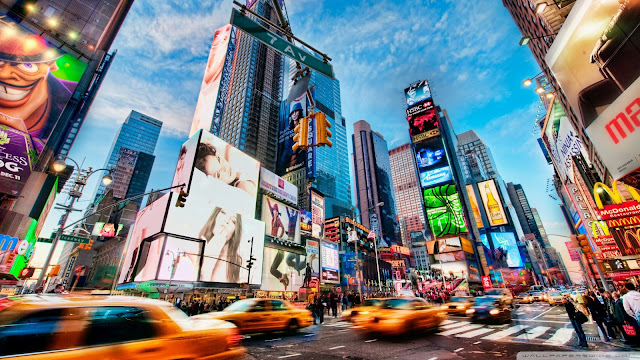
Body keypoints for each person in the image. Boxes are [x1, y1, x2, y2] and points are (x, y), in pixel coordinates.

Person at [0, 17, 79, 140]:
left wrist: (21, 140)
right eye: (1, 62)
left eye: (27, 65)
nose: (4, 74)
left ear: (52, 64)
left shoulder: (68, 102)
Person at [199, 207, 243, 283]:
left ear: (235, 231)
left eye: (233, 221)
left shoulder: (240, 264)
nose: (226, 221)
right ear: (215, 215)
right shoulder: (192, 251)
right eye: (223, 213)